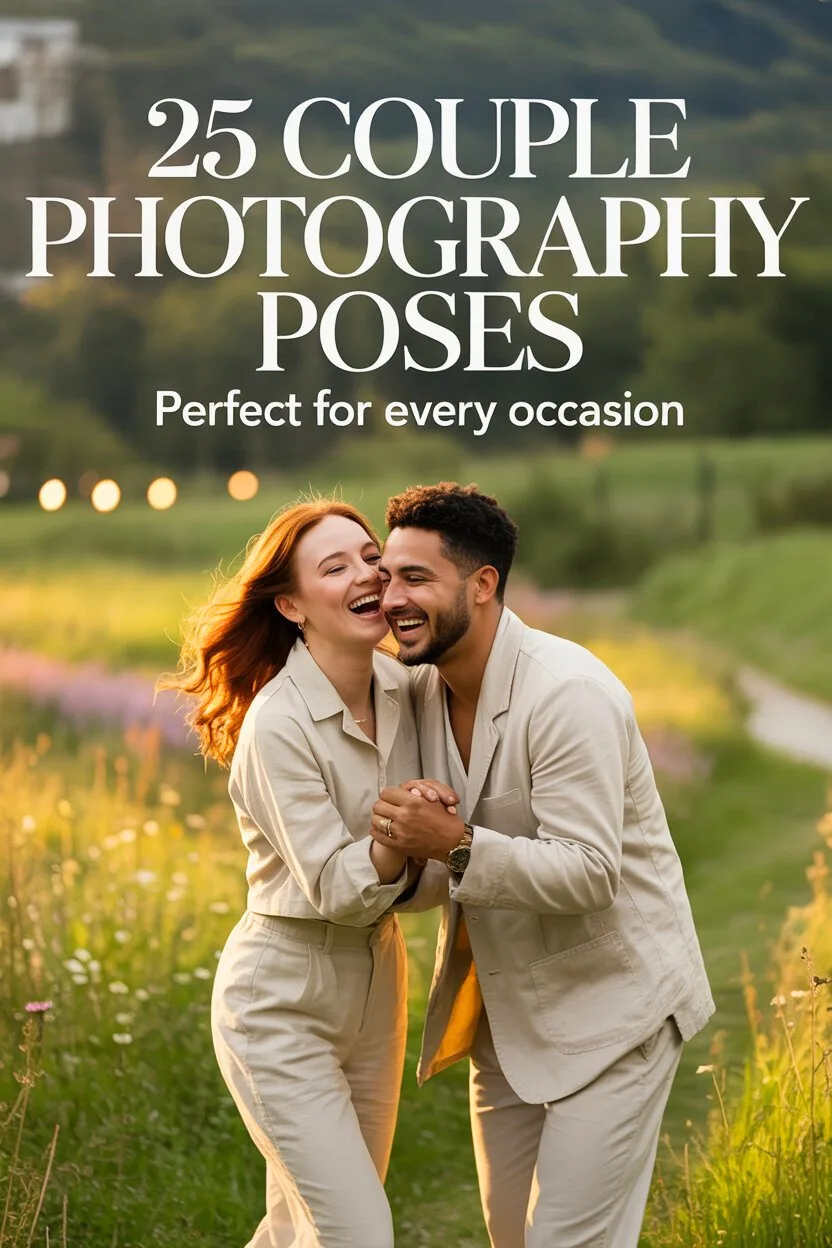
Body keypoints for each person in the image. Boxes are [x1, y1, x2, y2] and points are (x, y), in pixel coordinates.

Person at [369, 482, 715, 1248]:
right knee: (512, 1239)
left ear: (482, 584)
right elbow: (432, 875)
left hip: (615, 1008)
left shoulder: (569, 694)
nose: (392, 598)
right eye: (387, 576)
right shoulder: (419, 689)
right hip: (505, 1018)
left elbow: (590, 871)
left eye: (416, 578)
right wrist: (402, 856)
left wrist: (453, 844)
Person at [160, 498, 446, 1248]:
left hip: (379, 986)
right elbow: (341, 890)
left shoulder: (412, 692)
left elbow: (429, 877)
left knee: (300, 1228)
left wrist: (434, 842)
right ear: (290, 605)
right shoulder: (277, 725)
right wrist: (400, 830)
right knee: (357, 1233)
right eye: (336, 566)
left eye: (369, 555)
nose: (367, 572)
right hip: (278, 1001)